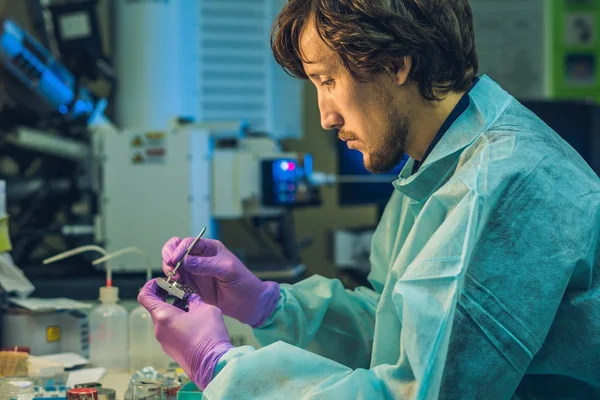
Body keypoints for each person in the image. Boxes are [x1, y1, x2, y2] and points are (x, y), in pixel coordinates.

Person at [138, 0, 600, 398]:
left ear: (395, 62)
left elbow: (419, 393)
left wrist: (221, 366)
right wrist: (266, 303)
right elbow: (391, 327)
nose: (325, 117)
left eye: (326, 80)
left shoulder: (500, 182)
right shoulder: (437, 163)